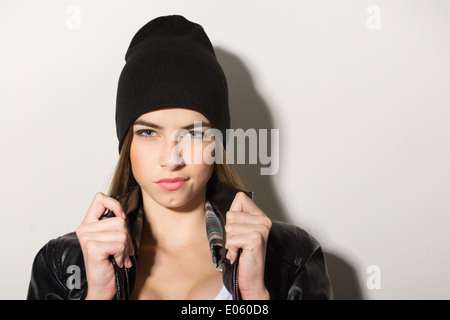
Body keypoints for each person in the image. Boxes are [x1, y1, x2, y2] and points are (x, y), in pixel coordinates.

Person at [27, 15, 333, 300]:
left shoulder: (292, 257)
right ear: (127, 144)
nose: (171, 159)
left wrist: (254, 295)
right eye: (149, 133)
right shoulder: (62, 264)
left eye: (194, 133)